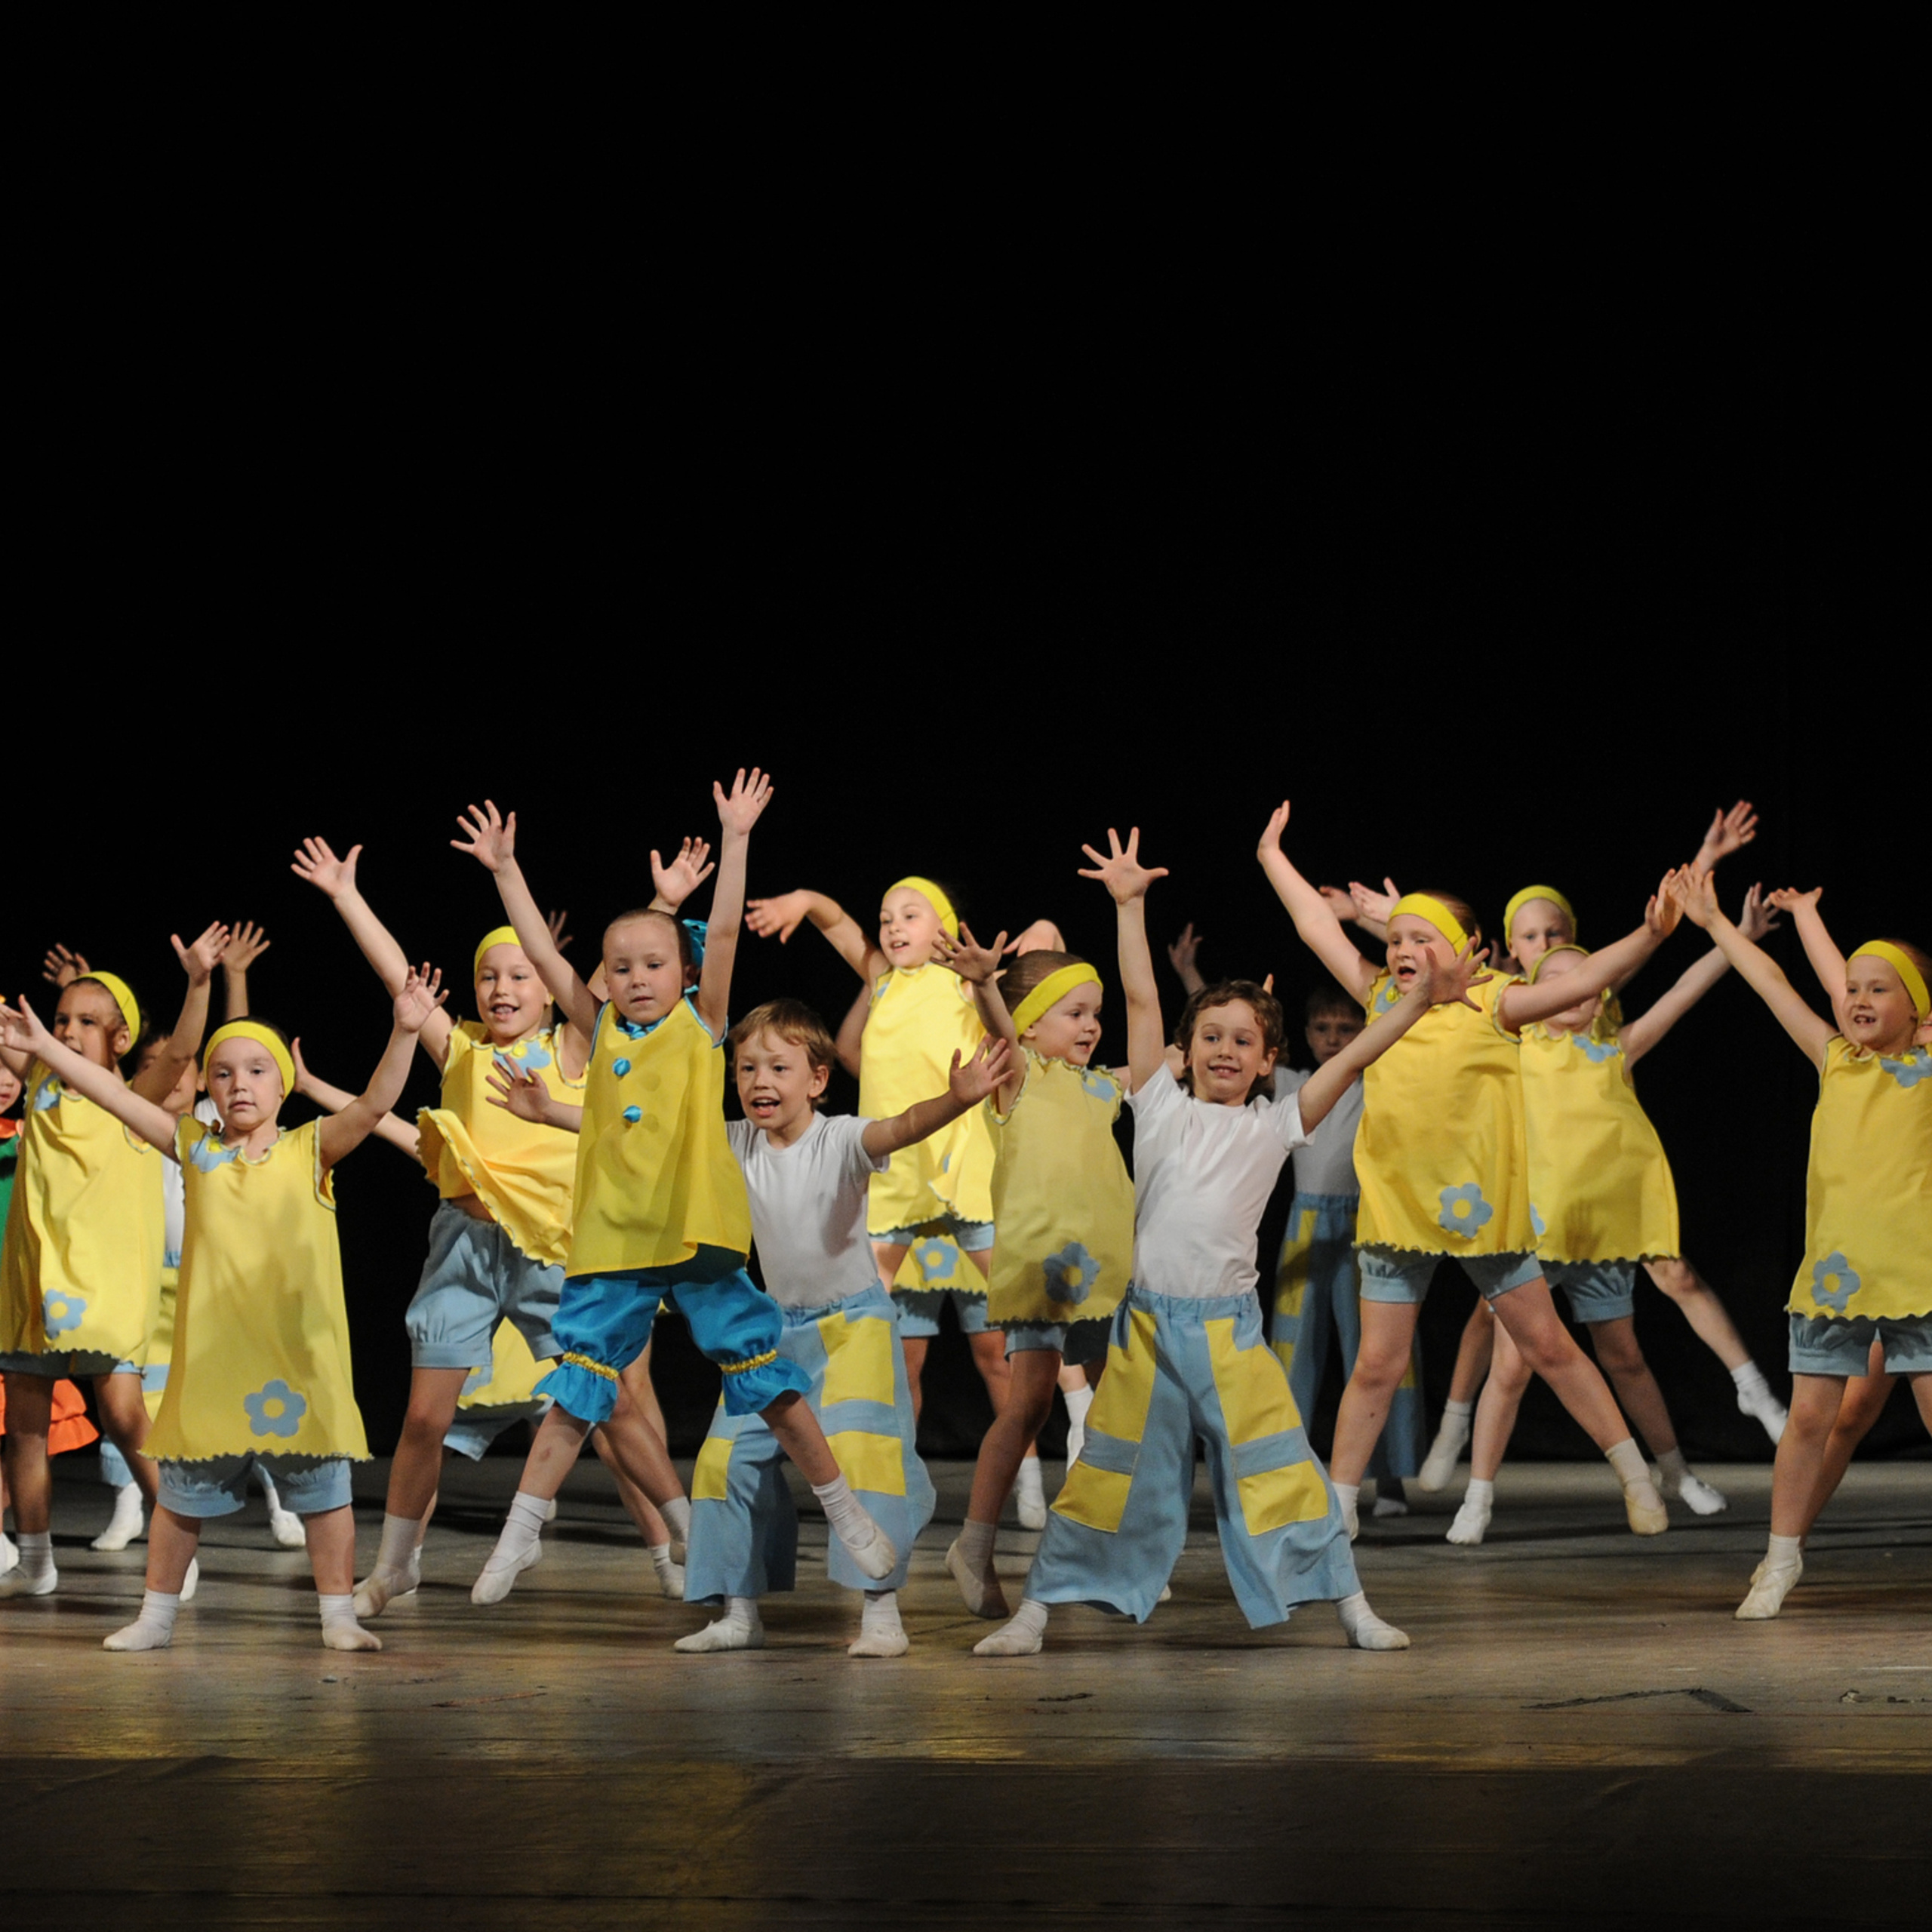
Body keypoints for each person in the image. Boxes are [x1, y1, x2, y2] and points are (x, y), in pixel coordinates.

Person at [974, 828, 1470, 1659]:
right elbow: (1139, 1002)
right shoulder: (1160, 1105)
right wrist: (1129, 907)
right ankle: (1037, 1610)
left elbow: (1351, 1063)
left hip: (1228, 1332)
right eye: (1210, 1037)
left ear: (1269, 1059)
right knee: (1108, 1472)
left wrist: (1416, 1004)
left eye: (1244, 1041)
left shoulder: (1279, 1123)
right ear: (1188, 1048)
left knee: (1282, 1468)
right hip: (1145, 1332)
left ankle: (1349, 1604)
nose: (1225, 1051)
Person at [454, 774, 901, 1606]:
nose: (634, 977)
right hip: (619, 1246)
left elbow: (725, 926)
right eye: (620, 967)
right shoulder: (601, 1033)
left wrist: (734, 839)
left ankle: (846, 1513)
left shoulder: (700, 1031)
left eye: (654, 963)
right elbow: (549, 960)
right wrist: (506, 871)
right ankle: (519, 1536)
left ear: (684, 972)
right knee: (577, 1391)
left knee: (769, 1382)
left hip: (695, 1239)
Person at [291, 831, 711, 1620]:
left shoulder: (576, 1046)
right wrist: (347, 895)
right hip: (462, 1247)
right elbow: (396, 973)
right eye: (488, 976)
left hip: (551, 1250)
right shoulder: (463, 1051)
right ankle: (397, 1566)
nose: (502, 987)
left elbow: (597, 976)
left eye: (519, 974)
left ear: (548, 989)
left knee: (614, 1405)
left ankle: (675, 1543)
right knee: (422, 1416)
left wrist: (666, 902)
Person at [1257, 802, 1685, 1542]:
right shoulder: (1380, 997)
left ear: (1468, 950)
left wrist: (1651, 933)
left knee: (1549, 1347)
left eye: (1422, 937)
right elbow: (1312, 924)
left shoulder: (1498, 1004)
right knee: (1376, 1366)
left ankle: (1633, 1472)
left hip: (1485, 1215)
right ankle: (1341, 1501)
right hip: (1396, 1215)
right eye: (1394, 938)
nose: (1402, 948)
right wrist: (1270, 853)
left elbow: (1589, 980)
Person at [0, 969, 444, 1651]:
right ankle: (155, 1618)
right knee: (179, 1503)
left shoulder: (311, 1149)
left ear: (282, 1085)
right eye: (225, 1072)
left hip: (296, 1370)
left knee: (326, 1499)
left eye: (259, 1071)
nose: (241, 1084)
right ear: (207, 1086)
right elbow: (110, 1092)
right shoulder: (194, 1150)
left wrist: (405, 1031)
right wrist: (47, 1050)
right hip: (213, 1369)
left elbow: (377, 1101)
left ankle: (338, 1617)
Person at [672, 999, 1005, 1654]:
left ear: (818, 1080)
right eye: (745, 1069)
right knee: (724, 1460)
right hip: (772, 1333)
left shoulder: (841, 1139)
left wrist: (957, 1100)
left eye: (777, 1067)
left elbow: (905, 1126)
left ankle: (881, 1615)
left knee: (866, 1460)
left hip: (853, 1327)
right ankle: (739, 1611)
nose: (759, 1082)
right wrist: (550, 1114)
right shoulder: (734, 1141)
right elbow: (647, 1134)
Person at [1444, 894, 1777, 1542]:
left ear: (1600, 996)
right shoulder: (1516, 1049)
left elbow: (1683, 988)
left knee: (1624, 1357)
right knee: (1511, 1367)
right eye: (1555, 984)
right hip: (1540, 1235)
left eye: (1585, 983)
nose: (1573, 994)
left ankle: (1676, 1473)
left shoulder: (1615, 1049)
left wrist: (1731, 936)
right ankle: (1477, 1498)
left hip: (1600, 1234)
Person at [1668, 869, 1932, 1618]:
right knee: (1811, 1419)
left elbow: (1859, 986)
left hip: (1919, 1279)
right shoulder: (1833, 1058)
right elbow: (1776, 979)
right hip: (1835, 1282)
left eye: (1880, 990)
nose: (1858, 998)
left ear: (1919, 1010)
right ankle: (1779, 1560)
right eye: (1852, 988)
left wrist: (1818, 925)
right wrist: (1718, 923)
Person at [0, 928, 227, 1595]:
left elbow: (184, 1046)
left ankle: (176, 1548)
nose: (68, 1030)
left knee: (126, 1416)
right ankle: (37, 1562)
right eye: (62, 1018)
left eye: (88, 1022)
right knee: (25, 1426)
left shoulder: (134, 1097)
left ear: (121, 1040)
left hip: (104, 1285)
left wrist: (200, 981)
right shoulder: (40, 1083)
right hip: (37, 1283)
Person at [929, 928, 1134, 1620]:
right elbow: (999, 1030)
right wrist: (988, 984)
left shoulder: (1099, 1087)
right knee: (1027, 1410)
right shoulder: (1018, 1079)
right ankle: (976, 1545)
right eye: (1074, 1013)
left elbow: (1164, 1050)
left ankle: (1114, 1548)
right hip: (1043, 1274)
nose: (1091, 1026)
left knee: (1115, 1412)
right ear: (1032, 1022)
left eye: (1096, 1013)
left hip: (1101, 1278)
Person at [1270, 989, 1426, 1520]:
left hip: (1366, 1223)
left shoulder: (1376, 1083)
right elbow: (1243, 1053)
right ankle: (1287, 1473)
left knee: (1378, 1350)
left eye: (1346, 1029)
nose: (1333, 1039)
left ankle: (1389, 1477)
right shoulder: (1293, 1084)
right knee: (1294, 1351)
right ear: (1306, 1034)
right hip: (1307, 1227)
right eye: (1322, 1029)